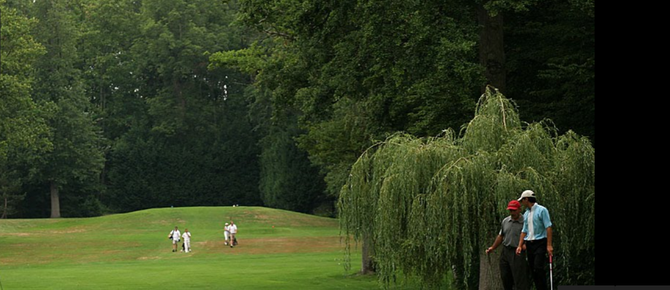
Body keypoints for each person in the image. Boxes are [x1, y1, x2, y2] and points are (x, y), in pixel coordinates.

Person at [486, 200, 530, 290]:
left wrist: (525, 245)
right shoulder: (506, 221)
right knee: (505, 276)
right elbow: (501, 235)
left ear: (519, 209)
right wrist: (493, 247)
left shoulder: (525, 222)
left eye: (514, 210)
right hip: (506, 251)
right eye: (510, 210)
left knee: (519, 278)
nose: (512, 213)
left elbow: (530, 236)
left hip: (518, 252)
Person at [515, 190, 553, 290]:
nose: (521, 203)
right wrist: (520, 245)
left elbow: (548, 227)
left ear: (526, 199)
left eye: (522, 200)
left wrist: (549, 245)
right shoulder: (526, 213)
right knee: (533, 269)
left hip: (540, 242)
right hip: (529, 244)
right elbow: (524, 230)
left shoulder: (542, 210)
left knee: (538, 267)